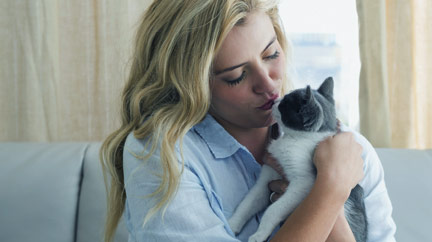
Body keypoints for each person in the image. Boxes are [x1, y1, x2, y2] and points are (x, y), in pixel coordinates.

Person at [100, 0, 396, 241]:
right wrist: (329, 190)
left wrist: (337, 222)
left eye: (271, 54)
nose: (268, 84)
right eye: (236, 76)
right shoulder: (162, 156)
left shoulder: (348, 153)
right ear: (189, 86)